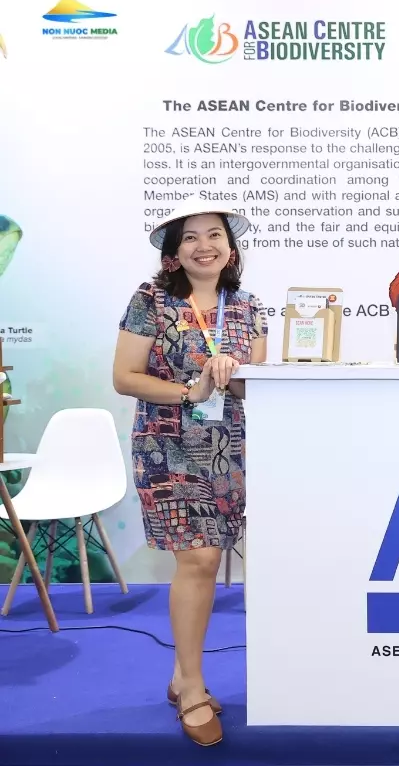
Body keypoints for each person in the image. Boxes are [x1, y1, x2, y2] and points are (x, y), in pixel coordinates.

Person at [112, 199, 267, 747]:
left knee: (211, 557)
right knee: (198, 559)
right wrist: (192, 389)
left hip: (228, 448)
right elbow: (125, 377)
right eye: (191, 237)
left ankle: (181, 676)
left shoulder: (247, 307)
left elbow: (255, 385)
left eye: (215, 235)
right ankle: (195, 687)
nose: (205, 246)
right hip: (167, 446)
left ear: (231, 247)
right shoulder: (151, 300)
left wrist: (233, 375)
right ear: (174, 253)